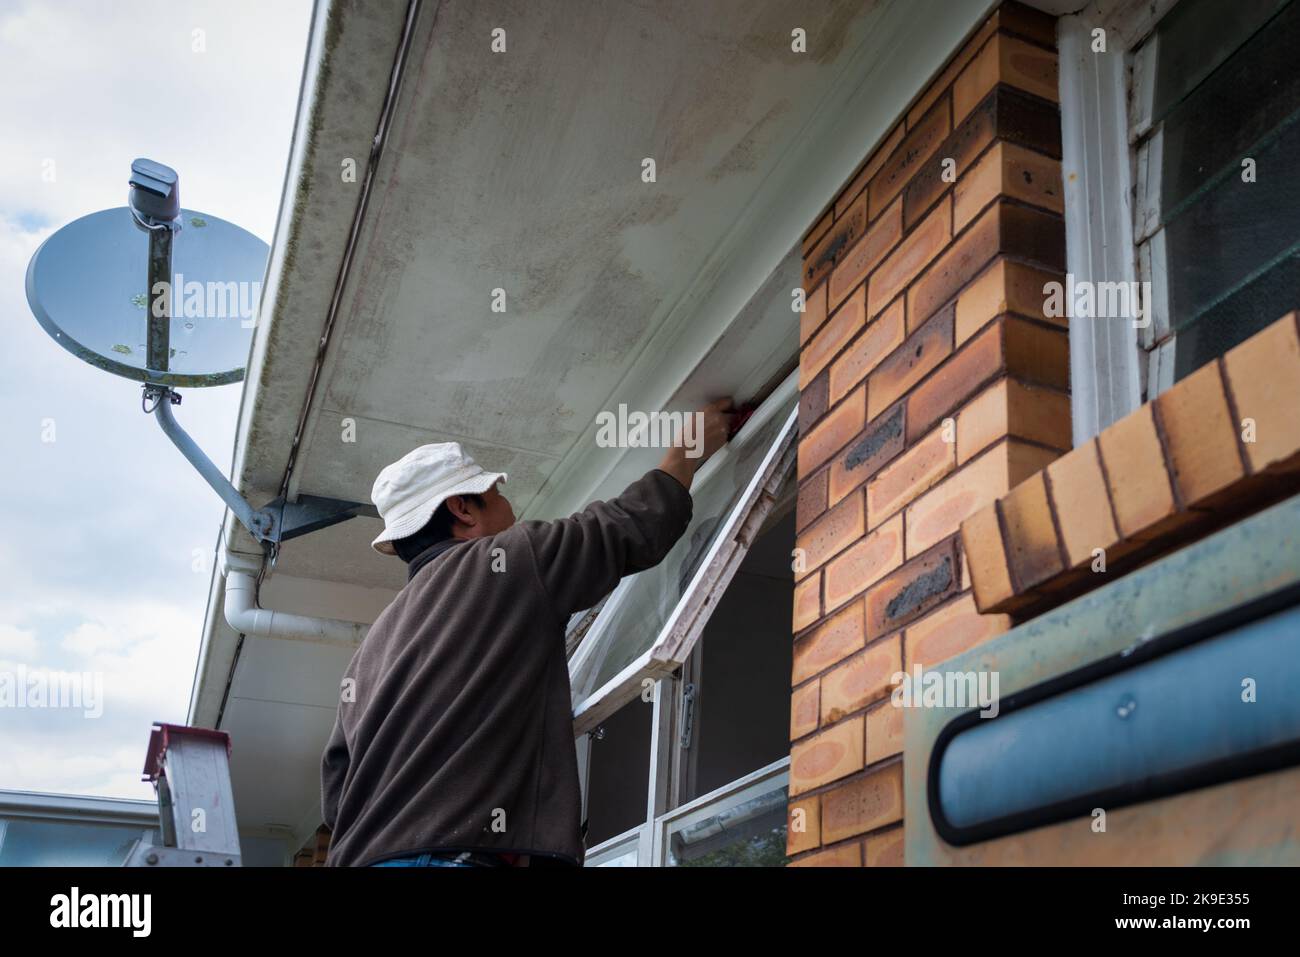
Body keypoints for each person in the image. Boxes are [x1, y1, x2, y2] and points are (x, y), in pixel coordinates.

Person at [320, 399, 736, 866]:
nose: (509, 506)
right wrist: (686, 453)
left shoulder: (372, 647)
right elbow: (632, 527)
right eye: (495, 493)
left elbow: (337, 793)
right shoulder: (510, 561)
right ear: (463, 509)